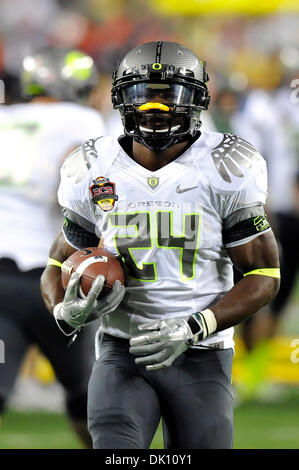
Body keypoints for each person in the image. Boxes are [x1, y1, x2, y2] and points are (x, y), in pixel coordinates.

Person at [41, 41, 280, 449]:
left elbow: (264, 274)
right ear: (120, 99)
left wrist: (195, 326)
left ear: (197, 99)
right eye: (142, 94)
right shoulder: (92, 166)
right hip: (122, 352)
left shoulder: (225, 164)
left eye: (169, 95)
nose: (155, 108)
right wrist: (65, 309)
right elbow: (56, 263)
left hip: (202, 354)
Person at [0, 47, 106, 447]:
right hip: (55, 278)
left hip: (0, 279)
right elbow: (78, 191)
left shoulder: (4, 117)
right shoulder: (80, 120)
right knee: (91, 399)